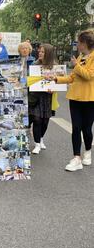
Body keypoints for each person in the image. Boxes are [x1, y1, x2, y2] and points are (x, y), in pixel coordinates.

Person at [54, 29, 94, 171]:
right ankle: (76, 157)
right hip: (74, 97)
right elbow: (72, 78)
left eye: (79, 42)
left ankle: (88, 151)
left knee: (87, 129)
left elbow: (89, 76)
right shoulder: (80, 57)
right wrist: (55, 79)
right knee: (76, 127)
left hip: (90, 98)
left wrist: (76, 66)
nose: (77, 45)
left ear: (85, 43)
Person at [28, 43, 57, 154]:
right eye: (39, 51)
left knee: (45, 121)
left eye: (43, 52)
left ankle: (40, 138)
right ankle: (37, 144)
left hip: (48, 98)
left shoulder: (55, 66)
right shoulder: (35, 65)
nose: (40, 53)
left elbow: (59, 82)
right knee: (37, 119)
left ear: (48, 54)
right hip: (36, 96)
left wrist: (54, 88)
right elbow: (29, 81)